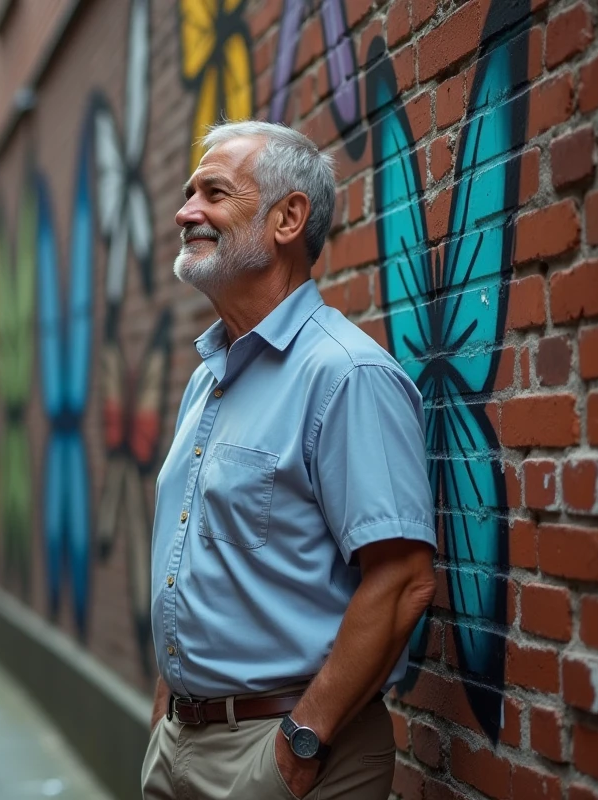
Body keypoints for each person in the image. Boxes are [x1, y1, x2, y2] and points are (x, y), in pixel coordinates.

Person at [142, 120, 436, 800]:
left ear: (288, 218)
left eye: (214, 193)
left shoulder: (346, 374)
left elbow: (403, 581)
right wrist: (166, 714)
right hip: (180, 746)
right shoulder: (207, 379)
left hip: (287, 755)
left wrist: (301, 746)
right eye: (188, 194)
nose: (186, 212)